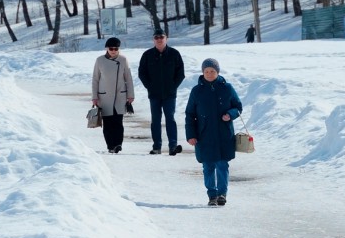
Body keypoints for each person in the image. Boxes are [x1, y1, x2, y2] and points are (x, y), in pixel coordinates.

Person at [185, 58, 243, 206]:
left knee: (222, 165)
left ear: (218, 72)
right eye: (207, 71)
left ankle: (222, 193)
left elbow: (238, 107)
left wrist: (230, 114)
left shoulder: (227, 88)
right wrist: (191, 135)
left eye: (212, 71)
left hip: (224, 134)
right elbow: (190, 114)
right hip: (204, 135)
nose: (209, 74)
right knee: (208, 166)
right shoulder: (197, 91)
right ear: (202, 72)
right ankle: (212, 194)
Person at [138, 27, 185, 155]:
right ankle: (157, 147)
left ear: (166, 38)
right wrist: (149, 86)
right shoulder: (147, 55)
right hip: (154, 94)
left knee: (170, 118)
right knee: (156, 120)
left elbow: (180, 74)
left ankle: (173, 146)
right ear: (153, 40)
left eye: (161, 37)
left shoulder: (174, 54)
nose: (159, 39)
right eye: (156, 37)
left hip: (170, 94)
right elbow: (142, 73)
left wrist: (173, 86)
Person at [92, 37, 135, 154]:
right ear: (107, 49)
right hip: (104, 96)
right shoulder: (99, 60)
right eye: (111, 48)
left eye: (116, 49)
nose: (113, 51)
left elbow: (128, 78)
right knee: (107, 123)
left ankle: (118, 144)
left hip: (120, 96)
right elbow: (95, 79)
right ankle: (110, 145)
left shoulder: (123, 59)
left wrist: (130, 95)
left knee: (118, 122)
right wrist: (94, 97)